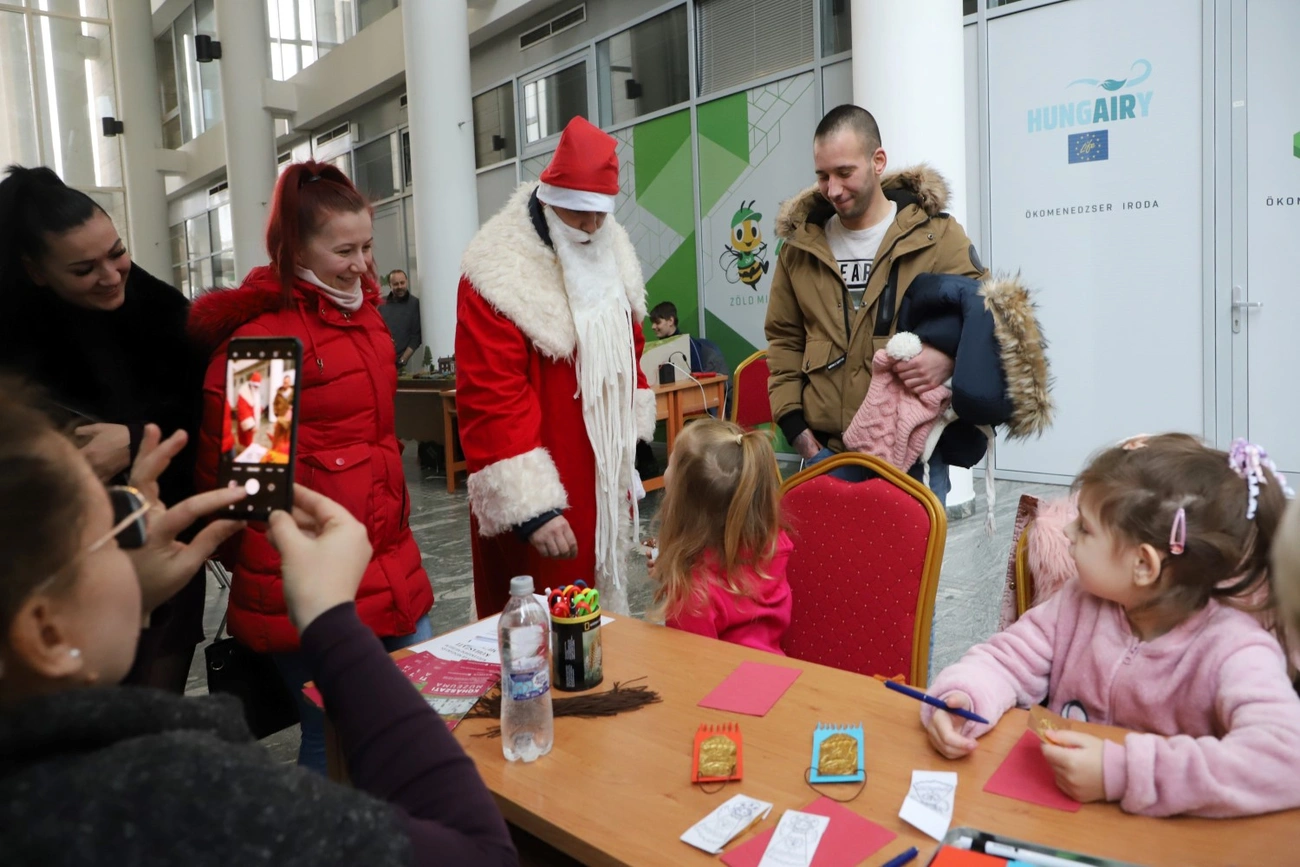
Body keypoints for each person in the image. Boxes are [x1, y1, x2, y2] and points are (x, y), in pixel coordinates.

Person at [0, 382, 518, 867]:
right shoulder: (183, 800)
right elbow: (482, 852)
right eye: (116, 523)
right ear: (45, 633)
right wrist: (332, 621)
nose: (140, 531)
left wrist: (136, 606)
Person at [191, 161, 434, 773]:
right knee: (330, 744)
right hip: (307, 582)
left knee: (421, 726)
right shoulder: (267, 339)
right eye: (344, 250)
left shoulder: (367, 318)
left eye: (369, 246)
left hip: (389, 559)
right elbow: (250, 489)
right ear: (296, 248)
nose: (361, 264)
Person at [921, 434, 1300, 818]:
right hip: (1058, 824)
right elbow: (1005, 661)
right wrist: (964, 698)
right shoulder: (1077, 602)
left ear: (1144, 565)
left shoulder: (1237, 649)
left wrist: (1121, 772)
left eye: (1084, 528)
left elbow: (1286, 760)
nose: (1066, 532)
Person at [765, 106, 1050, 503]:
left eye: (844, 173)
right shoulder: (799, 248)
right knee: (832, 565)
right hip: (827, 452)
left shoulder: (936, 235)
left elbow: (986, 318)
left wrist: (948, 359)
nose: (832, 189)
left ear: (877, 161)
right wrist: (797, 431)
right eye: (822, 175)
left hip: (917, 457)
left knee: (913, 567)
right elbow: (784, 340)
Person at [0, 165, 209, 693]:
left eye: (117, 252)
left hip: (160, 540)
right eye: (84, 269)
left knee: (157, 699)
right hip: (62, 561)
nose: (113, 276)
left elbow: (204, 406)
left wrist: (136, 439)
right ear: (36, 270)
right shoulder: (12, 333)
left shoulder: (161, 310)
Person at [455, 117, 657, 617]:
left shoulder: (612, 245)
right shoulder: (496, 273)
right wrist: (533, 508)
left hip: (601, 468)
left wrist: (635, 444)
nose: (590, 228)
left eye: (599, 216)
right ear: (549, 197)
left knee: (601, 611)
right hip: (547, 471)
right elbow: (489, 395)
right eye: (579, 215)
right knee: (539, 619)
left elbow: (630, 346)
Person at [651, 419, 792, 655]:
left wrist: (679, 577)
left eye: (670, 463)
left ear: (683, 502)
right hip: (775, 676)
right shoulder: (772, 544)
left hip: (723, 686)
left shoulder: (692, 595)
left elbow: (688, 668)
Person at [648, 301, 730, 379]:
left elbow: (698, 376)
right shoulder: (659, 348)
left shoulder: (688, 343)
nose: (653, 327)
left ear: (670, 321)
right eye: (653, 323)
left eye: (657, 322)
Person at [379, 268, 422, 372]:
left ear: (406, 282)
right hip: (381, 362)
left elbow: (416, 337)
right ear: (390, 285)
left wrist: (403, 360)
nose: (400, 287)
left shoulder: (415, 304)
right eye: (396, 284)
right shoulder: (381, 304)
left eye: (402, 283)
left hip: (403, 366)